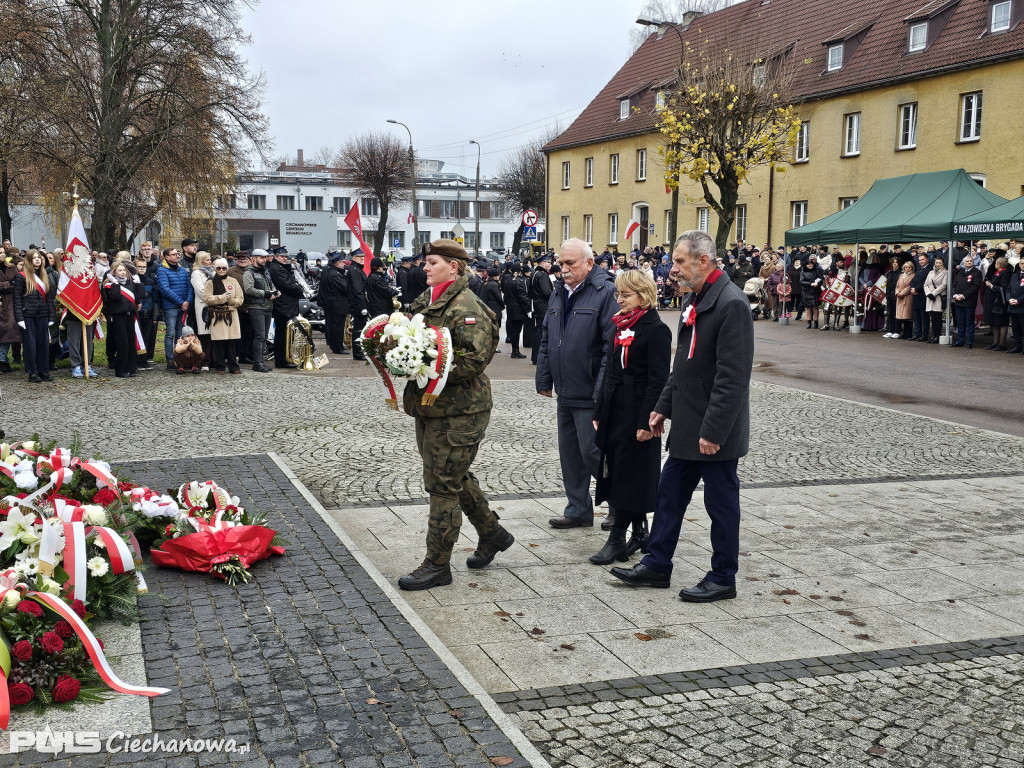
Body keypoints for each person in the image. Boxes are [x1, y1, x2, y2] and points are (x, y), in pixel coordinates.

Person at [610, 230, 754, 602]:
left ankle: (723, 576)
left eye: (679, 261)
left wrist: (715, 430)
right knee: (670, 494)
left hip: (714, 432)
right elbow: (682, 366)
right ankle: (657, 564)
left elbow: (733, 377)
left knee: (721, 505)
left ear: (703, 261)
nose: (672, 269)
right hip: (688, 424)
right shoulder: (695, 297)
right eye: (674, 261)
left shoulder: (731, 304)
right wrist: (662, 407)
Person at [396, 239, 512, 591]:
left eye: (432, 262)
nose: (425, 268)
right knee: (452, 476)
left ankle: (437, 565)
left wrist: (423, 360)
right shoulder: (428, 300)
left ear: (454, 267)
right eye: (425, 262)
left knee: (442, 484)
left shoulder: (466, 306)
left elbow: (473, 361)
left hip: (461, 409)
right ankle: (492, 533)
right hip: (431, 406)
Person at [536, 238, 619, 530]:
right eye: (561, 263)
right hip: (566, 390)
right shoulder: (559, 292)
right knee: (570, 453)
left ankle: (619, 506)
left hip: (590, 391)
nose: (564, 268)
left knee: (595, 452)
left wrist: (601, 391)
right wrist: (545, 377)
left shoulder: (606, 292)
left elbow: (612, 347)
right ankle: (578, 508)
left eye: (570, 263)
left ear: (589, 263)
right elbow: (548, 337)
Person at [589, 269, 670, 565]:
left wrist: (646, 422)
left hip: (638, 411)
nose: (619, 300)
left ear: (644, 295)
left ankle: (616, 540)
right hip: (615, 408)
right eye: (617, 294)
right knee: (617, 470)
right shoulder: (619, 325)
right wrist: (600, 410)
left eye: (625, 294)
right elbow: (609, 371)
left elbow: (659, 379)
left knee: (630, 474)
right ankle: (639, 533)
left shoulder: (656, 329)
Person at [13, 249, 57, 383]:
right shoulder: (21, 276)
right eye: (34, 258)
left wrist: (51, 317)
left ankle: (43, 370)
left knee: (43, 345)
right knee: (30, 345)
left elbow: (49, 299)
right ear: (28, 260)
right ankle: (32, 372)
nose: (37, 259)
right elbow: (17, 299)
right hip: (28, 316)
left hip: (43, 315)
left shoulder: (46, 277)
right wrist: (20, 318)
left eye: (39, 257)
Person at [101, 262, 142, 378]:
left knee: (130, 342)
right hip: (118, 316)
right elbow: (115, 297)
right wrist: (115, 284)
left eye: (124, 270)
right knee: (122, 343)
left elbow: (141, 295)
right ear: (114, 272)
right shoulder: (109, 285)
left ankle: (131, 368)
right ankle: (121, 370)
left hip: (130, 315)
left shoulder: (130, 283)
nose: (123, 272)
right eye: (120, 270)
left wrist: (138, 283)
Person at [203, 258, 244, 373]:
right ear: (215, 269)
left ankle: (233, 366)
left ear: (227, 269)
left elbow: (240, 298)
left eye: (224, 268)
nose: (221, 270)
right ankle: (220, 366)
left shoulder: (233, 281)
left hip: (231, 314)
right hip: (217, 315)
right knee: (219, 342)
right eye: (219, 268)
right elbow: (207, 298)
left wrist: (231, 301)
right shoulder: (210, 282)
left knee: (232, 342)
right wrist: (222, 298)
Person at [156, 246, 193, 369]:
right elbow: (165, 289)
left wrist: (188, 301)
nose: (177, 256)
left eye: (177, 254)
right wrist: (180, 302)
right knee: (170, 333)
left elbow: (189, 286)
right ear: (167, 257)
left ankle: (179, 357)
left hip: (183, 306)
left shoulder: (182, 270)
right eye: (174, 254)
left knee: (180, 333)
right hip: (171, 306)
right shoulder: (162, 270)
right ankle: (170, 359)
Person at [268, 248, 304, 369]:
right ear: (276, 256)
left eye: (286, 257)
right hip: (283, 306)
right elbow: (287, 285)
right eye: (282, 256)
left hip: (287, 306)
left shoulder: (280, 268)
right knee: (283, 335)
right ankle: (282, 360)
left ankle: (285, 358)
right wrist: (299, 290)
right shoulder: (276, 269)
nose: (285, 258)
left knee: (286, 334)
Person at [242, 249, 276, 372]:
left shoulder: (265, 271)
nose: (264, 260)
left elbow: (271, 286)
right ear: (253, 258)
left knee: (264, 335)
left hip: (267, 306)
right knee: (260, 336)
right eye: (261, 258)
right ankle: (258, 362)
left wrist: (274, 292)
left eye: (265, 258)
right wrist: (265, 293)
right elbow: (249, 289)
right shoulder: (248, 272)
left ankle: (260, 361)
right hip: (256, 307)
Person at [319, 252, 350, 355]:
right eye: (342, 262)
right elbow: (345, 288)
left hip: (334, 304)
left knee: (334, 326)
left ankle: (335, 345)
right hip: (338, 304)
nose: (343, 264)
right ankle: (338, 347)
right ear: (337, 263)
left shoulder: (331, 272)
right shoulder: (335, 274)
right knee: (338, 327)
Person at [227, 251, 253, 364]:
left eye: (245, 258)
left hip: (251, 305)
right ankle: (238, 354)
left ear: (249, 259)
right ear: (236, 260)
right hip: (237, 306)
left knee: (249, 332)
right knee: (237, 332)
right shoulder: (231, 271)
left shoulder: (252, 270)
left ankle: (246, 355)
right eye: (240, 258)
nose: (242, 260)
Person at [191, 251, 215, 368]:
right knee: (204, 335)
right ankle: (204, 361)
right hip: (203, 305)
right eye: (207, 260)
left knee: (213, 335)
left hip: (214, 306)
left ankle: (213, 360)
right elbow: (201, 291)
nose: (210, 262)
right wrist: (214, 299)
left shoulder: (213, 273)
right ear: (201, 261)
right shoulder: (196, 273)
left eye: (210, 260)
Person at [952, 255, 982, 348]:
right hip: (958, 301)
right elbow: (954, 284)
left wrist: (963, 295)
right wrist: (955, 295)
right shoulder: (961, 272)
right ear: (963, 263)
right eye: (967, 261)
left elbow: (975, 287)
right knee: (960, 323)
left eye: (971, 261)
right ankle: (959, 341)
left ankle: (969, 342)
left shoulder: (977, 273)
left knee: (969, 323)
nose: (969, 262)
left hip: (969, 302)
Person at [530, 254, 554, 365]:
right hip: (543, 306)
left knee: (538, 330)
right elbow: (546, 292)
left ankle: (535, 356)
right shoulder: (543, 275)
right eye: (548, 262)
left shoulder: (534, 273)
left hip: (537, 305)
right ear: (542, 263)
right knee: (541, 331)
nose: (550, 264)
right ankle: (539, 357)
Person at [984, 255, 1011, 350]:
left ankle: (1002, 344)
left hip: (1000, 302)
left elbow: (1004, 288)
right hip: (993, 302)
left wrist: (991, 286)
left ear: (999, 264)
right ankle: (995, 342)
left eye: (996, 263)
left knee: (1002, 323)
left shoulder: (1006, 274)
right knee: (994, 323)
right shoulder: (997, 273)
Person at [504, 262, 530, 359]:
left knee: (514, 331)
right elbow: (523, 297)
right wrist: (528, 309)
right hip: (518, 309)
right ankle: (515, 351)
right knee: (517, 331)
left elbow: (506, 295)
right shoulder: (519, 281)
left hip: (511, 309)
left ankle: (515, 350)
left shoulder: (508, 280)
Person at [347, 249, 369, 361]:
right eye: (359, 256)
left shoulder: (357, 269)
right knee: (358, 329)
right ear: (353, 257)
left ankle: (359, 352)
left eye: (363, 256)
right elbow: (358, 290)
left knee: (360, 328)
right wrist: (362, 307)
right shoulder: (355, 270)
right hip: (358, 305)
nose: (362, 258)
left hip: (358, 304)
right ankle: (358, 353)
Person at [134, 258, 156, 369]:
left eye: (144, 267)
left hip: (148, 313)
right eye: (139, 267)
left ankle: (144, 359)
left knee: (146, 337)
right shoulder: (132, 281)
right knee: (138, 336)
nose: (142, 269)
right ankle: (137, 360)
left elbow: (154, 298)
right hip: (137, 314)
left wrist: (154, 314)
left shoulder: (150, 282)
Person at [924, 257, 947, 344]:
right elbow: (925, 284)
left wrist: (933, 294)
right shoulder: (930, 272)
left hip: (938, 297)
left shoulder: (946, 273)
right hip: (930, 297)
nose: (938, 264)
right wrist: (928, 294)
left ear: (943, 264)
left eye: (940, 263)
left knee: (938, 318)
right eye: (936, 263)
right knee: (932, 318)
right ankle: (933, 335)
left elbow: (944, 285)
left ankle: (937, 336)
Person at [909, 252, 931, 341]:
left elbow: (926, 282)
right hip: (915, 296)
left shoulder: (930, 270)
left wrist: (916, 289)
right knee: (917, 317)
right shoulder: (919, 269)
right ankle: (917, 334)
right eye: (919, 260)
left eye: (922, 259)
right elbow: (913, 280)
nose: (921, 261)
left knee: (924, 317)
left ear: (927, 259)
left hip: (923, 295)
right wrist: (911, 288)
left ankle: (924, 335)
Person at [800, 254, 824, 329]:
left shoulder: (817, 270)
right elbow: (801, 281)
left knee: (815, 307)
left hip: (815, 291)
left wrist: (817, 283)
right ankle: (809, 322)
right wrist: (810, 284)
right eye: (808, 264)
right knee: (808, 308)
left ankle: (816, 322)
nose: (810, 265)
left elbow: (821, 279)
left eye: (811, 264)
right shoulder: (803, 272)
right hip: (807, 291)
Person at [894, 261, 915, 339]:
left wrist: (901, 293)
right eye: (906, 267)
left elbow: (910, 287)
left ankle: (908, 333)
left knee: (908, 316)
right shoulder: (901, 275)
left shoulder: (913, 275)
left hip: (907, 297)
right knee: (901, 316)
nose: (908, 269)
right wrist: (897, 293)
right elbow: (897, 285)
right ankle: (904, 333)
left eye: (909, 267)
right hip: (899, 298)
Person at [1007, 261, 1024, 353]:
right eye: (1021, 263)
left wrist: (1018, 301)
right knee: (1015, 328)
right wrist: (1009, 299)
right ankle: (1017, 346)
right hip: (1013, 306)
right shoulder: (1015, 275)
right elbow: (1008, 289)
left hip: (1022, 306)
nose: (1023, 265)